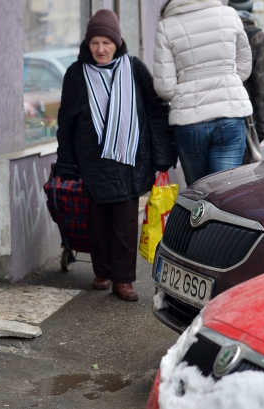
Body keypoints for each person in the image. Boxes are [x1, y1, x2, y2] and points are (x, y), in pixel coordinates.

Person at [55, 10, 176, 301]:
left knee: (124, 222)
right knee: (97, 221)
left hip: (131, 157)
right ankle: (103, 271)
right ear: (87, 44)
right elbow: (66, 122)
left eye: (106, 42)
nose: (100, 49)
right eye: (95, 42)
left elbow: (156, 111)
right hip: (92, 159)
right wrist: (67, 162)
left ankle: (123, 279)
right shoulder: (76, 74)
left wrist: (161, 155)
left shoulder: (134, 69)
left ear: (117, 42)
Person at [154, 0, 253, 186]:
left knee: (198, 195)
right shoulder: (230, 15)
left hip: (189, 120)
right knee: (225, 192)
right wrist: (227, 80)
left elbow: (165, 88)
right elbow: (245, 66)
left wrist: (185, 90)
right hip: (229, 112)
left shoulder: (166, 26)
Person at [229, 0, 264, 143]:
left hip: (216, 115)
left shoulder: (219, 34)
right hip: (248, 117)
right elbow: (263, 84)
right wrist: (262, 127)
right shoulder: (258, 38)